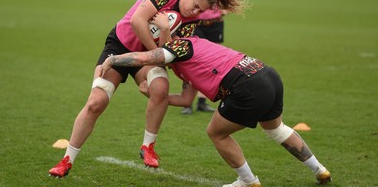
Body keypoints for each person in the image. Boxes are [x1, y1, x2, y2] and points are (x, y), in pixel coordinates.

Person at [48, 0, 242, 177]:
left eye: (201, 11)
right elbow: (137, 21)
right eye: (195, 6)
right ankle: (67, 160)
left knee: (160, 88)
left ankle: (147, 147)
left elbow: (169, 54)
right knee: (95, 104)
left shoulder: (190, 22)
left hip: (147, 56)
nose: (196, 13)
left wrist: (165, 30)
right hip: (120, 46)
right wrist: (154, 53)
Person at [99, 34, 332, 186]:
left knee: (216, 132)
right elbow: (184, 99)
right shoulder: (190, 55)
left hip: (245, 85)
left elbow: (143, 57)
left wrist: (112, 60)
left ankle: (248, 181)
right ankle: (319, 170)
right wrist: (153, 94)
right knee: (276, 129)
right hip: (266, 73)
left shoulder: (180, 47)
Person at [172, 0, 240, 114]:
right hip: (194, 25)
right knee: (190, 62)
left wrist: (226, 10)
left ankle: (202, 101)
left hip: (215, 24)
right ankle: (186, 103)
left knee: (211, 63)